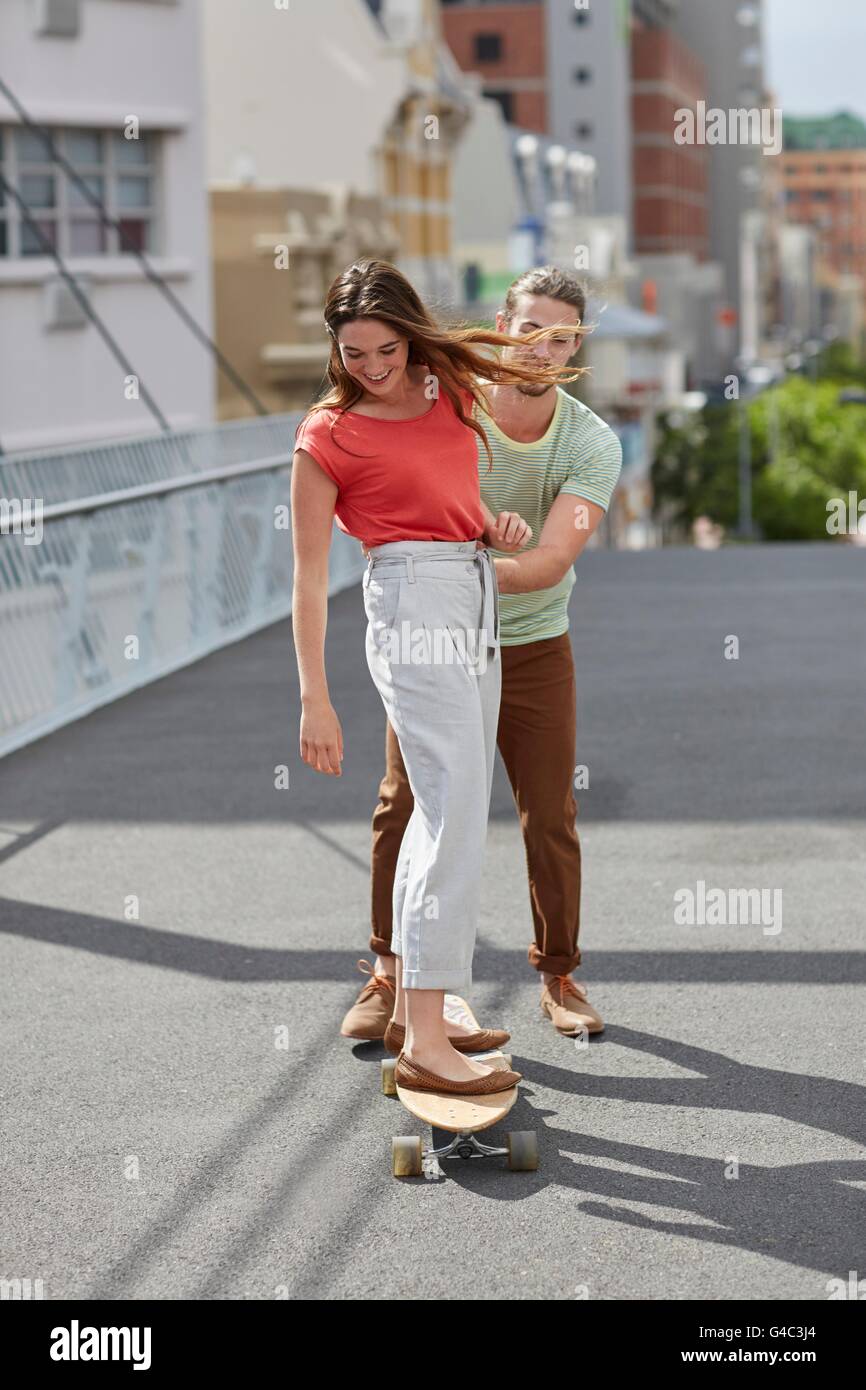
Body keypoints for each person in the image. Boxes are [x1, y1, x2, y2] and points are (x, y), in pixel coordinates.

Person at [292, 259, 583, 1095]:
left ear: (410, 335)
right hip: (411, 602)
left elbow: (452, 496)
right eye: (354, 353)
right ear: (334, 348)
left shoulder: (446, 388)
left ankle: (429, 1005)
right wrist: (316, 696)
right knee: (448, 809)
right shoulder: (326, 433)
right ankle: (423, 1033)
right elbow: (310, 579)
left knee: (449, 813)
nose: (373, 367)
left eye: (386, 348)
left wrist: (492, 524)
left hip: (473, 588)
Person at [341, 266, 623, 1046]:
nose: (540, 348)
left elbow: (544, 566)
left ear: (578, 346)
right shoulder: (449, 402)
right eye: (527, 328)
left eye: (561, 336)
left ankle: (559, 972)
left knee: (548, 814)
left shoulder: (591, 442)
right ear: (502, 322)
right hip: (438, 637)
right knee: (404, 803)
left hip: (532, 639)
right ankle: (388, 972)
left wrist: (436, 569)